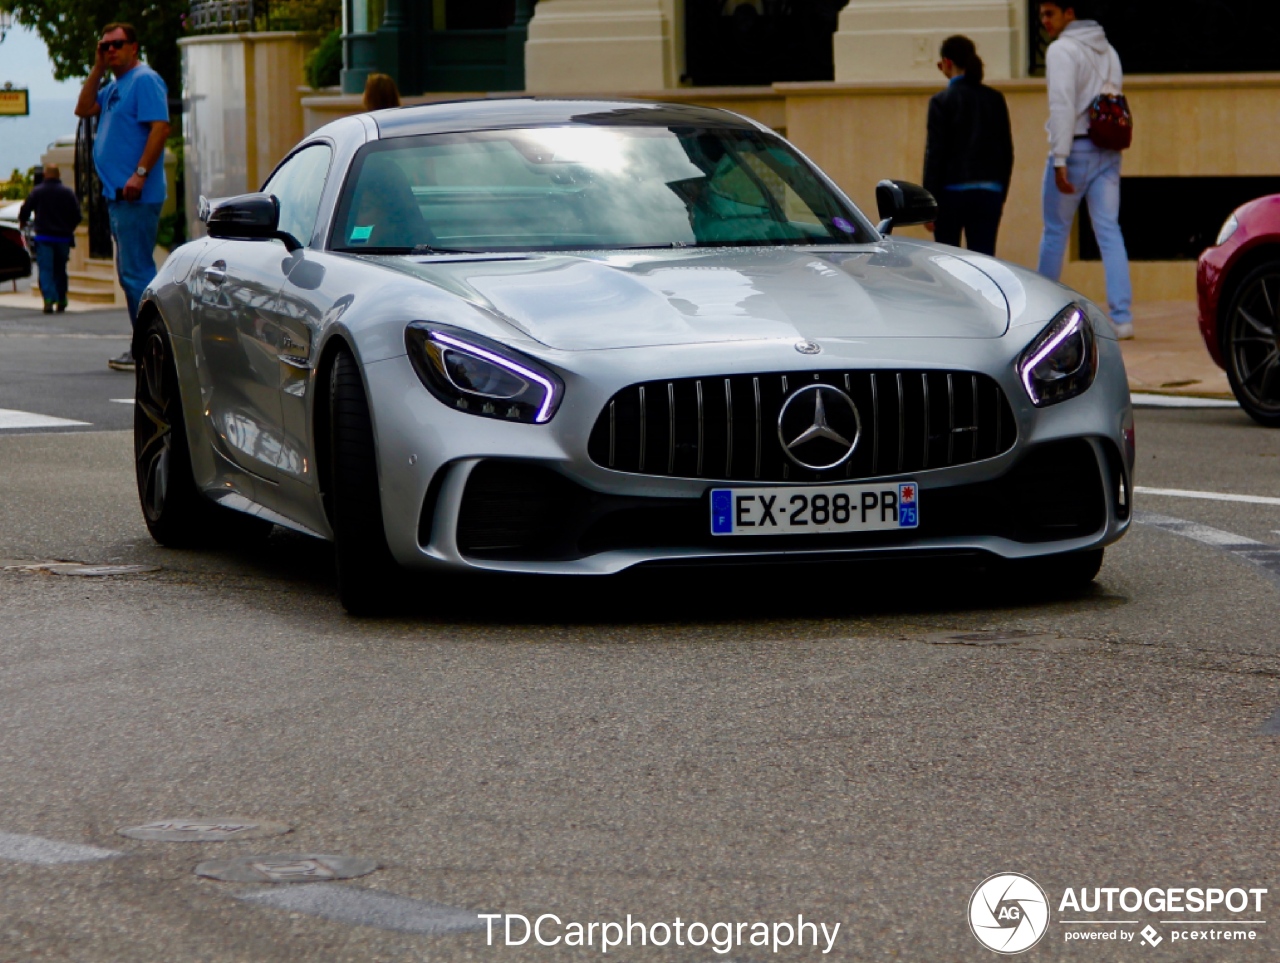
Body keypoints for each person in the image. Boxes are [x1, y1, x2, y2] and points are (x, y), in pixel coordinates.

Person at [74, 22, 171, 370]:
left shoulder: (144, 80)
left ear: (134, 46)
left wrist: (140, 174)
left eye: (117, 44)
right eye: (105, 46)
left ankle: (152, 346)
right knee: (130, 273)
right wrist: (98, 68)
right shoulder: (116, 86)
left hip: (135, 195)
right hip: (119, 196)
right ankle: (144, 343)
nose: (111, 50)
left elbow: (160, 127)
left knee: (137, 273)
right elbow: (83, 108)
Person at [1036, 1, 1133, 339]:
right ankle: (1122, 318)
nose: (1045, 22)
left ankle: (1040, 313)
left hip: (1075, 148)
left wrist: (1059, 158)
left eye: (1050, 14)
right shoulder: (1109, 51)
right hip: (1108, 149)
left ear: (1069, 13)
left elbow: (1061, 103)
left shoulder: (1062, 50)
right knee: (1109, 230)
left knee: (1054, 231)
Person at [923, 36, 1014, 256]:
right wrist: (1000, 194)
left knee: (948, 263)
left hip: (950, 195)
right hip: (989, 193)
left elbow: (935, 154)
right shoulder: (995, 99)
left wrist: (928, 203)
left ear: (946, 62)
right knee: (983, 262)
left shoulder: (941, 101)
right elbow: (1007, 152)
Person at [18, 164, 82, 313]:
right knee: (60, 269)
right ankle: (61, 298)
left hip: (44, 236)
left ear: (45, 175)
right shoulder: (68, 193)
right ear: (59, 175)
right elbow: (77, 215)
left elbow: (25, 210)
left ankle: (48, 298)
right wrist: (68, 228)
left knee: (46, 269)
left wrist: (23, 222)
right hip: (63, 238)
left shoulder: (38, 192)